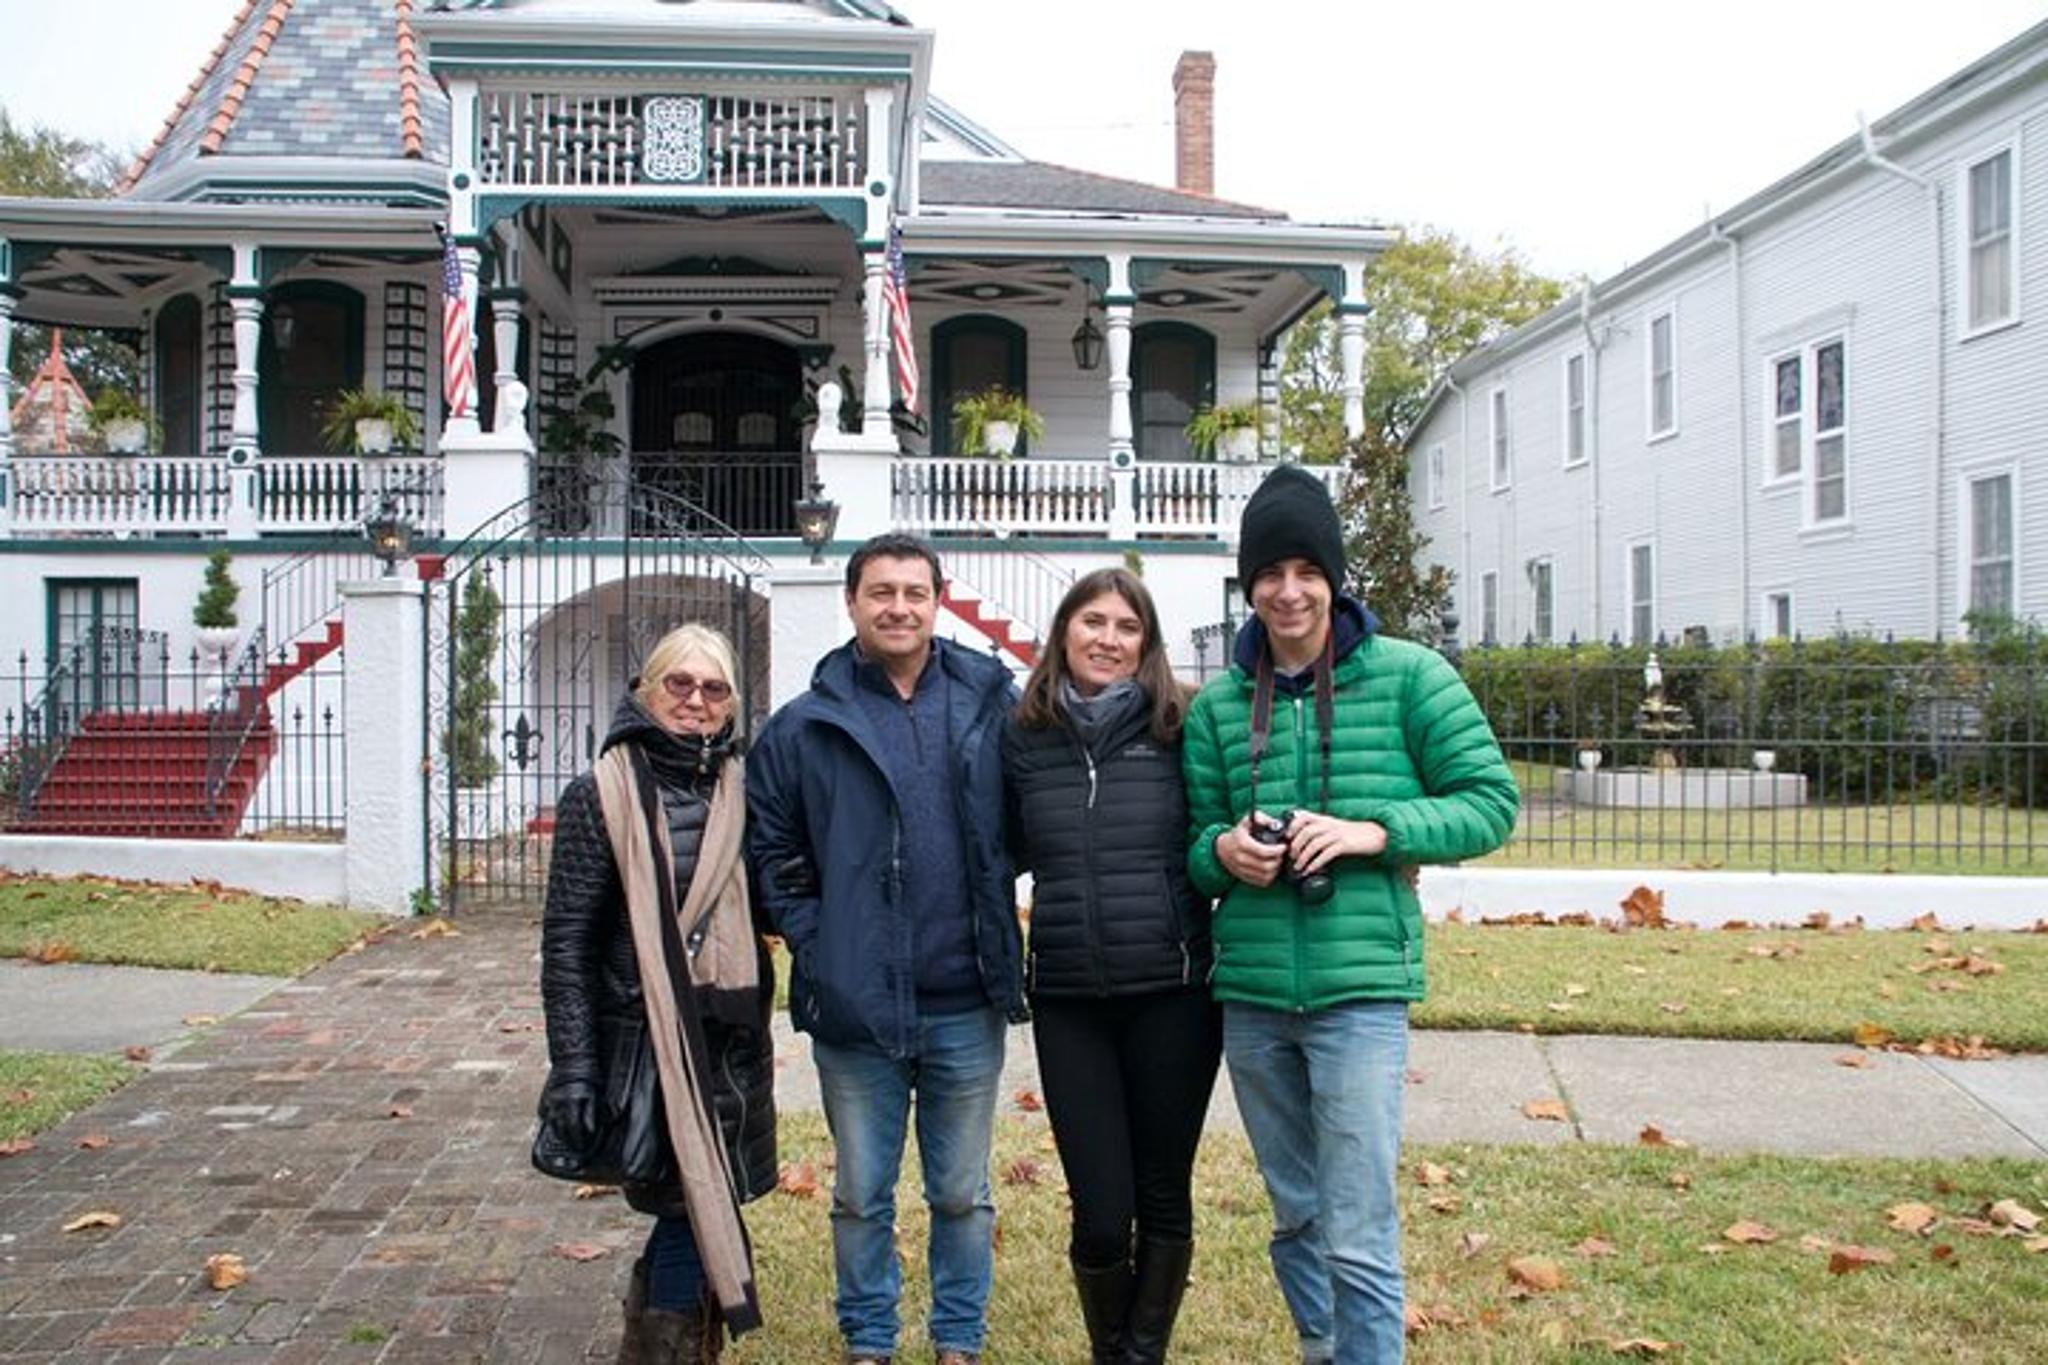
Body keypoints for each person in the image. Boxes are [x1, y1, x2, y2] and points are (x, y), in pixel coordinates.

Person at [1181, 466, 1519, 1364]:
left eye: (1306, 570)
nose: (1288, 592)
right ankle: (1321, 1348)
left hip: (1360, 992)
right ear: (1247, 584)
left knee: (1358, 1226)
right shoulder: (1218, 705)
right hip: (1251, 995)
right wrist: (1225, 853)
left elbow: (1491, 803)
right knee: (1295, 1214)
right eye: (1269, 574)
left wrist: (1375, 830)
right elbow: (1193, 838)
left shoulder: (1413, 676)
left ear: (1333, 577)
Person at [748, 532, 1027, 1365]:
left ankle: (957, 1338)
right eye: (881, 592)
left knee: (960, 1193)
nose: (898, 606)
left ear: (938, 600)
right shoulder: (804, 726)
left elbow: (1033, 818)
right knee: (862, 1194)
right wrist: (821, 942)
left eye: (914, 591)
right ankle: (869, 1339)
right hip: (857, 1008)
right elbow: (769, 854)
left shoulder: (992, 705)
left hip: (966, 996)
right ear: (852, 603)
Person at [538, 624, 776, 1364]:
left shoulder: (748, 792)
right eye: (680, 684)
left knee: (708, 1199)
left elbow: (773, 899)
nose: (696, 701)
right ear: (647, 690)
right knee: (687, 1203)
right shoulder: (597, 797)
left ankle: (663, 1331)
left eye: (714, 688)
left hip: (730, 1042)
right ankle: (665, 1346)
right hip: (646, 1041)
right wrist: (574, 1065)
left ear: (732, 703)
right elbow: (567, 943)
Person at [1001, 567, 1220, 1365]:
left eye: (1127, 627)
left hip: (1175, 994)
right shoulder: (1022, 734)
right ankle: (1112, 1347)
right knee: (1099, 1210)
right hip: (1070, 1000)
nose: (1108, 639)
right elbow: (1003, 847)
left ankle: (1138, 1354)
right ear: (1064, 631)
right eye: (1093, 621)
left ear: (1147, 644)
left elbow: (1215, 836)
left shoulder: (1183, 726)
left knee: (1163, 1193)